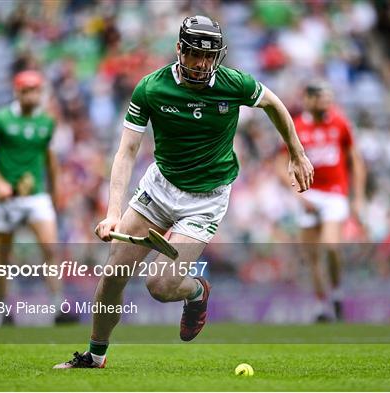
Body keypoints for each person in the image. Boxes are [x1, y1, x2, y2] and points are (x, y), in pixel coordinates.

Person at [54, 15, 313, 369]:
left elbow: (274, 103)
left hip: (205, 200)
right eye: (194, 54)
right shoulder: (151, 88)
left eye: (209, 56)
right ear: (179, 50)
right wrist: (113, 212)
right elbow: (127, 152)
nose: (203, 63)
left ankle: (196, 291)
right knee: (114, 271)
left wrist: (296, 153)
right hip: (159, 190)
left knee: (160, 285)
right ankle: (95, 356)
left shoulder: (233, 82)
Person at [0, 70, 73, 325]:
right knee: (3, 256)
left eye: (36, 90)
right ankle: (2, 310)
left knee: (50, 248)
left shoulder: (46, 122)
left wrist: (56, 192)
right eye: (27, 90)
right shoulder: (0, 119)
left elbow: (51, 162)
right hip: (6, 197)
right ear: (17, 92)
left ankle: (58, 307)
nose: (32, 95)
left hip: (36, 195)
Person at [278, 81, 365, 322]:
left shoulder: (339, 123)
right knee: (312, 256)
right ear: (307, 99)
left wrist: (358, 197)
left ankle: (336, 292)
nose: (326, 103)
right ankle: (320, 306)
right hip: (309, 193)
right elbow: (279, 164)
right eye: (321, 98)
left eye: (328, 98)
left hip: (335, 193)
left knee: (331, 246)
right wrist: (299, 195)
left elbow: (355, 161)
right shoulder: (296, 127)